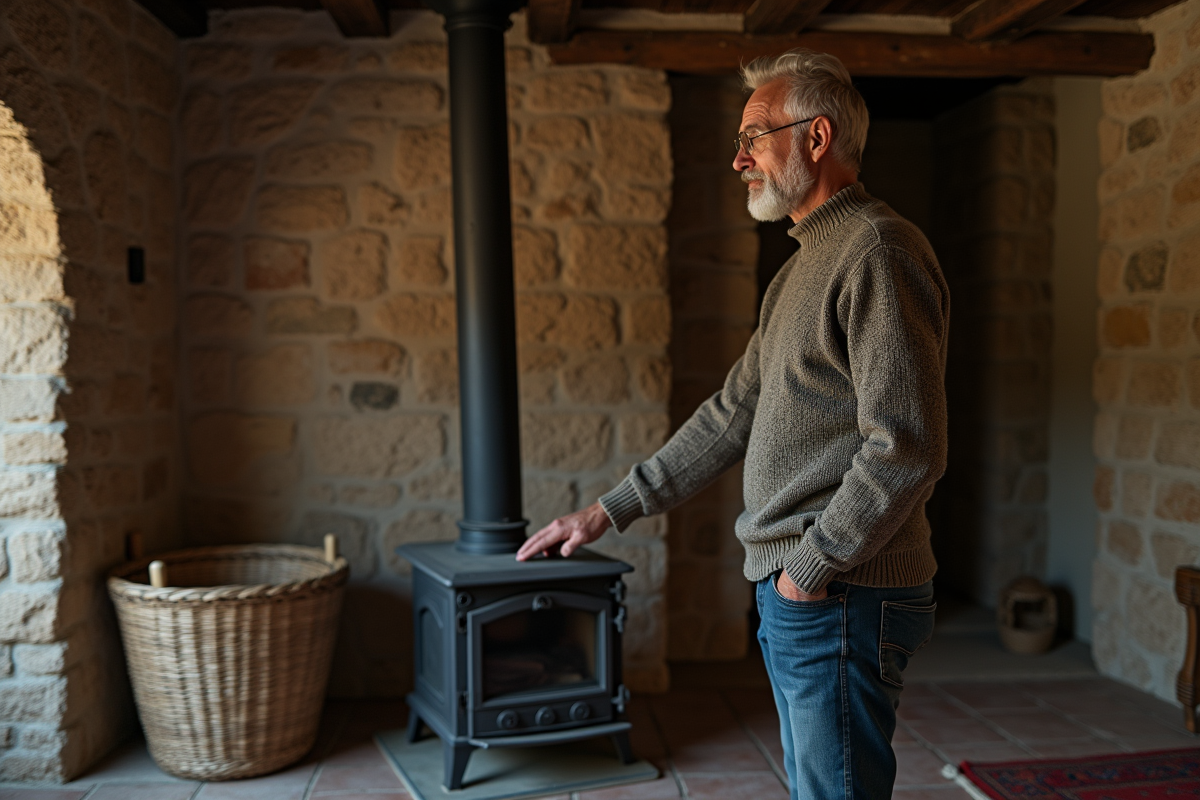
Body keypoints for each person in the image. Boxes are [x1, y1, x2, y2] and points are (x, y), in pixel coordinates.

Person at [516, 48, 949, 800]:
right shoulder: (797, 270)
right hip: (810, 588)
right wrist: (604, 511)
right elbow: (730, 415)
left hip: (841, 588)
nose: (738, 157)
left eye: (754, 135)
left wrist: (807, 573)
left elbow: (906, 445)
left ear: (815, 139)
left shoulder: (877, 249)